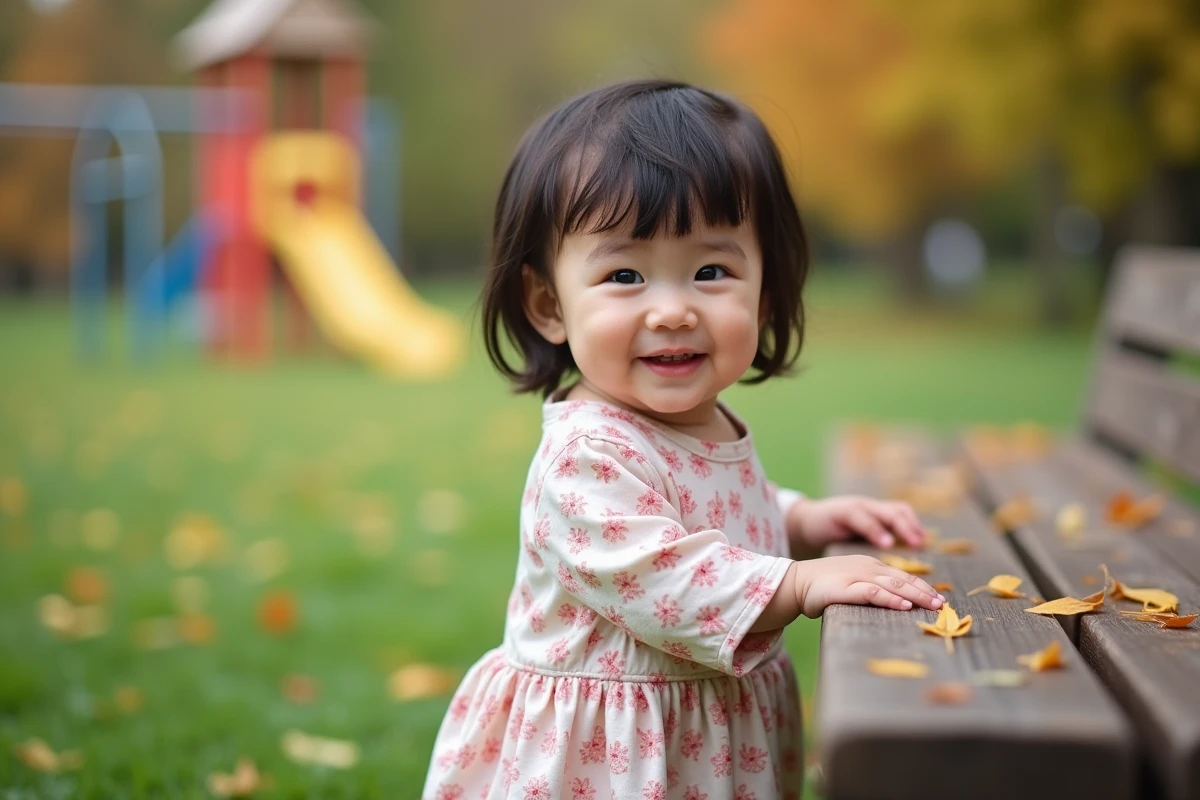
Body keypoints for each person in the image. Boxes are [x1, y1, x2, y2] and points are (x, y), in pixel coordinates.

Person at [422, 79, 943, 800]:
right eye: (625, 274)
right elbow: (662, 574)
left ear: (764, 292)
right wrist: (795, 583)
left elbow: (707, 509)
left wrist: (799, 519)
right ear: (549, 304)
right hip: (609, 760)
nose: (672, 310)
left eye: (710, 271)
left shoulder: (702, 419)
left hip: (696, 739)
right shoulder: (586, 455)